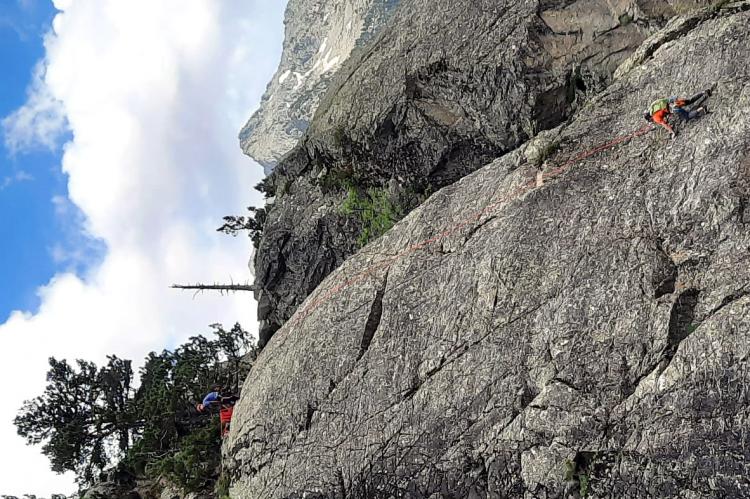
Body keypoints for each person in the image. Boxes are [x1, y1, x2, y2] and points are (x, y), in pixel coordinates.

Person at [643, 89, 711, 138]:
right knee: (690, 101)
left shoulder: (655, 118)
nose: (652, 121)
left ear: (650, 117)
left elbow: (665, 125)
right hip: (673, 101)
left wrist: (673, 132)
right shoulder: (654, 107)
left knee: (687, 116)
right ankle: (703, 92)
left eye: (650, 120)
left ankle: (702, 109)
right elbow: (663, 107)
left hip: (674, 108)